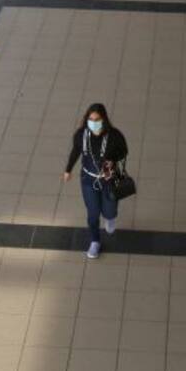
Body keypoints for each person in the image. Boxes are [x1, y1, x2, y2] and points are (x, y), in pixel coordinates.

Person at [63, 103, 129, 259]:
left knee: (109, 210)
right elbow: (75, 151)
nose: (93, 122)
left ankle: (110, 217)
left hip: (109, 179)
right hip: (88, 179)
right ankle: (95, 241)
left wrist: (113, 162)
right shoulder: (81, 135)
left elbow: (124, 152)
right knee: (92, 214)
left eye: (97, 119)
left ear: (104, 119)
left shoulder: (114, 136)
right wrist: (68, 169)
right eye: (90, 119)